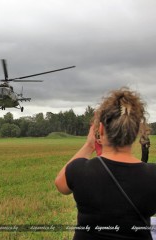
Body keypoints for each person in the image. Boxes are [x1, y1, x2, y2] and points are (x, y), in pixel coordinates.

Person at [55, 87, 156, 240]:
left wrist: (89, 145)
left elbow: (60, 184)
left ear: (100, 129)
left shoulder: (79, 170)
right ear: (136, 132)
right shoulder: (153, 175)